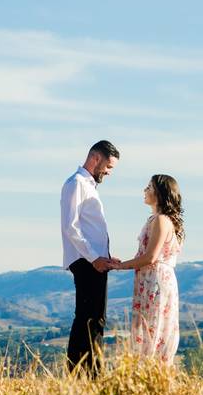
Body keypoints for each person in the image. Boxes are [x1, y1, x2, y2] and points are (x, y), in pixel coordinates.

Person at [60, 140, 121, 377]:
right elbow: (71, 227)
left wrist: (103, 257)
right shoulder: (76, 184)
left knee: (93, 318)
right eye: (108, 166)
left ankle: (85, 373)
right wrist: (95, 258)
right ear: (95, 158)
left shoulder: (88, 185)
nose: (109, 172)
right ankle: (88, 374)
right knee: (90, 319)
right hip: (86, 262)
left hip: (94, 261)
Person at [113, 174, 184, 366]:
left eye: (149, 187)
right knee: (152, 327)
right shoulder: (158, 219)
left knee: (153, 326)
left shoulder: (161, 220)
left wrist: (119, 266)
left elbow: (150, 257)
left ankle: (152, 372)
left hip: (155, 280)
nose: (145, 190)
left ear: (160, 194)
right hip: (152, 278)